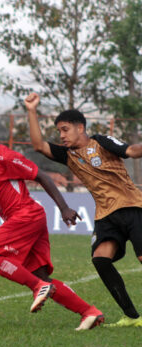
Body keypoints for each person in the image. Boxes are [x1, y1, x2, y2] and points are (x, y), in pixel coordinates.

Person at [0, 114, 104, 331]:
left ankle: (38, 287)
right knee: (41, 275)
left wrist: (64, 208)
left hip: (27, 216)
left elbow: (42, 176)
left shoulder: (6, 157)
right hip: (25, 219)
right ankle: (89, 312)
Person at [25, 92, 142, 327]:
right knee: (100, 259)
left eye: (65, 129)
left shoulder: (101, 142)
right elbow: (38, 145)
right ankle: (132, 317)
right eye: (59, 131)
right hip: (105, 216)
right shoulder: (67, 155)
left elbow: (131, 151)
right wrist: (31, 110)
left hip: (132, 207)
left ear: (80, 128)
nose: (62, 135)